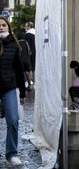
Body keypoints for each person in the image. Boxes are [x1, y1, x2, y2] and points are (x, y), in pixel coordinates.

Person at [0, 16, 26, 166]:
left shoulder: (14, 45)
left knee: (13, 120)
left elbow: (19, 69)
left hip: (9, 87)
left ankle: (11, 153)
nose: (1, 27)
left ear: (8, 28)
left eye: (4, 25)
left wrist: (22, 92)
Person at [24, 22, 35, 89]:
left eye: (26, 26)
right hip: (35, 52)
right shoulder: (36, 33)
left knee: (29, 68)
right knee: (34, 67)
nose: (25, 27)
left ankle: (30, 82)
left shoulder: (28, 34)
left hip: (29, 53)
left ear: (29, 26)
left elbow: (26, 45)